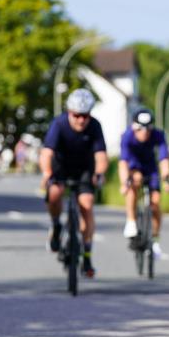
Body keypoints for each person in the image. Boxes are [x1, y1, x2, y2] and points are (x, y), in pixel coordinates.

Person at [40, 89, 108, 278]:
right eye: (76, 115)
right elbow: (46, 153)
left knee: (86, 204)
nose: (81, 120)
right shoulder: (59, 124)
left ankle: (87, 256)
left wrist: (99, 173)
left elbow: (101, 156)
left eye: (85, 116)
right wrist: (46, 173)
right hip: (61, 167)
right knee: (54, 193)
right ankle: (56, 225)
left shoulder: (95, 126)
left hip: (84, 169)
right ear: (69, 112)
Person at [119, 108, 169, 257]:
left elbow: (164, 159)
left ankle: (155, 240)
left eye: (147, 129)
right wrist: (124, 183)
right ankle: (131, 221)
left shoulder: (158, 135)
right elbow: (123, 162)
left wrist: (167, 179)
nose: (144, 132)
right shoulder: (127, 136)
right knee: (134, 184)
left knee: (155, 204)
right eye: (140, 129)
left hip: (150, 168)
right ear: (134, 127)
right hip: (134, 166)